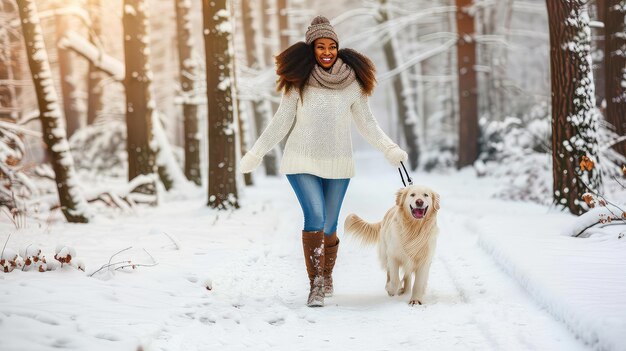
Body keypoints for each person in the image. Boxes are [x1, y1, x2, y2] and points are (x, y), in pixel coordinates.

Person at [239, 16, 408, 307]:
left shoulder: (352, 83)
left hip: (338, 163)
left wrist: (389, 148)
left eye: (331, 46)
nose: (327, 52)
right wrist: (256, 153)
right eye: (320, 46)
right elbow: (281, 122)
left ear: (338, 48)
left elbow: (367, 122)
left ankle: (326, 275)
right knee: (315, 218)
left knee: (329, 225)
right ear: (312, 49)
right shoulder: (299, 82)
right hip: (300, 160)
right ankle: (316, 284)